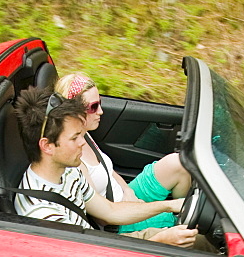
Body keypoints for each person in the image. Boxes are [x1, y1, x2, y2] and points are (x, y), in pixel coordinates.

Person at [12, 86, 198, 248]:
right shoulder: (44, 215)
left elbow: (110, 211)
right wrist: (161, 242)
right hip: (99, 255)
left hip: (98, 243)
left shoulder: (69, 171)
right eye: (74, 138)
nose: (82, 143)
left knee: (198, 237)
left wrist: (169, 205)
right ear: (47, 146)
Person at [55, 72, 193, 236]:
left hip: (125, 195)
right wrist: (141, 207)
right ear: (74, 111)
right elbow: (103, 216)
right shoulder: (73, 157)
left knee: (177, 164)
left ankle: (184, 203)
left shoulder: (84, 133)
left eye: (100, 103)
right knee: (183, 222)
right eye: (93, 107)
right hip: (118, 220)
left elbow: (108, 170)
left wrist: (128, 191)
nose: (100, 111)